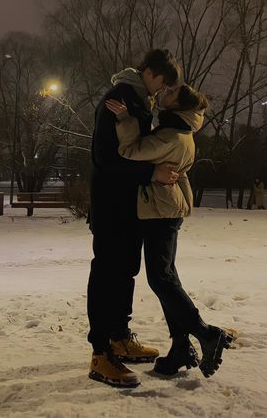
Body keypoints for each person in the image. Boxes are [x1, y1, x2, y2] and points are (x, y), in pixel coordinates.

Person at [105, 84, 234, 383]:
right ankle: (180, 347)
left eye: (171, 92)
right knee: (167, 277)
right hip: (165, 208)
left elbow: (130, 150)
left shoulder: (171, 136)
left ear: (178, 105)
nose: (165, 91)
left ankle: (206, 333)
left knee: (160, 278)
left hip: (161, 210)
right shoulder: (178, 129)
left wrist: (125, 118)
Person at [87, 49, 180, 388]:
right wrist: (151, 171)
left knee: (125, 271)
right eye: (163, 82)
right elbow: (105, 159)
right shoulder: (119, 98)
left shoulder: (138, 100)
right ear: (150, 73)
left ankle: (119, 337)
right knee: (107, 273)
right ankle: (100, 353)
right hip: (111, 205)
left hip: (128, 206)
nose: (163, 90)